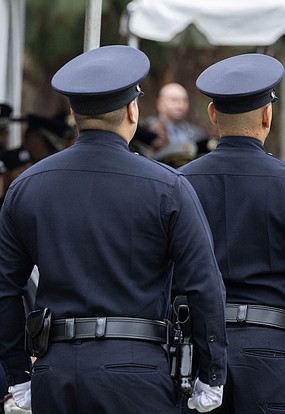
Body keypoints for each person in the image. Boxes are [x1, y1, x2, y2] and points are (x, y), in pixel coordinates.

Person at [0, 45, 228, 413]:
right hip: (136, 369)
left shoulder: (28, 186)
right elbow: (203, 282)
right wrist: (212, 370)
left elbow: (5, 288)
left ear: (73, 113)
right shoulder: (167, 186)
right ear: (132, 110)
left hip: (55, 370)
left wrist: (17, 373)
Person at [180, 53, 285, 414]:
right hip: (272, 351)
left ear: (213, 115)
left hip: (198, 350)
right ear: (267, 115)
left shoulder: (180, 185)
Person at [145, 82, 206, 153]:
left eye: (184, 100)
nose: (181, 105)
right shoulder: (148, 130)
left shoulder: (196, 134)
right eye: (174, 100)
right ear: (160, 103)